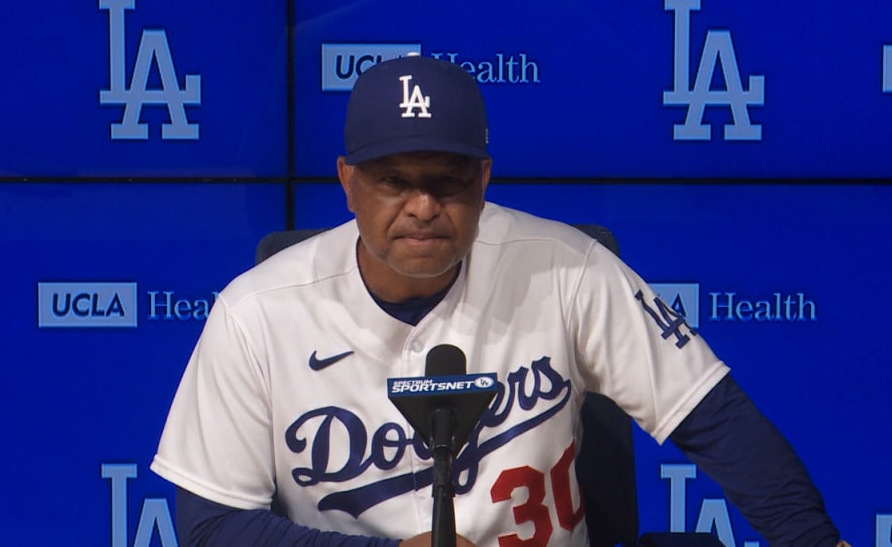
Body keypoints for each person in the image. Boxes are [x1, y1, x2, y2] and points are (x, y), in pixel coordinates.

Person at [151, 55, 848, 547]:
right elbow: (212, 525)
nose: (422, 206)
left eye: (446, 181)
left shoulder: (566, 270)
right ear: (348, 182)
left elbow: (715, 420)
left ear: (483, 180)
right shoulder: (257, 313)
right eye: (394, 180)